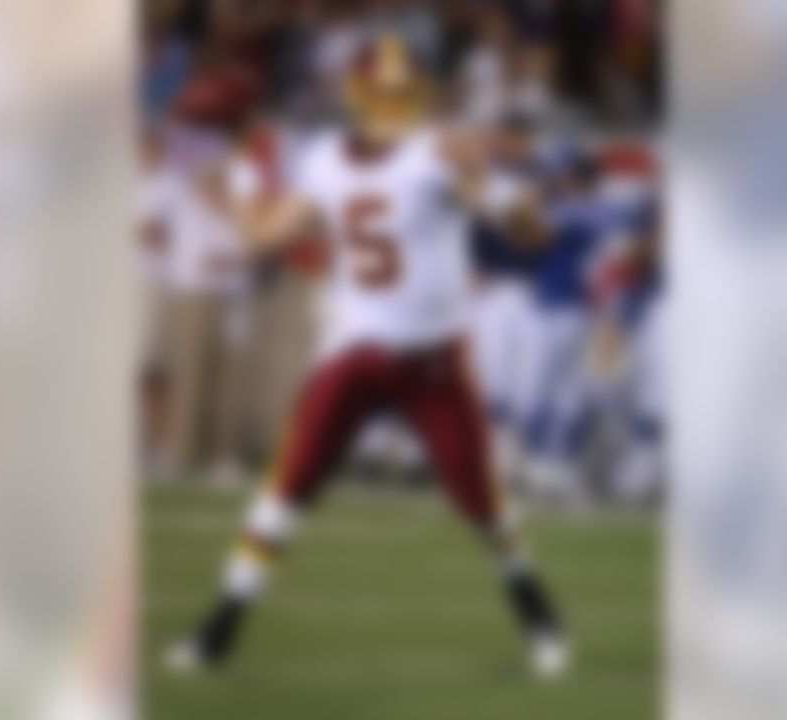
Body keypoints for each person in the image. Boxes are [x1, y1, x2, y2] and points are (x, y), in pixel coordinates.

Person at [165, 34, 569, 679]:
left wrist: (497, 194)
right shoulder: (325, 159)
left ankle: (535, 608)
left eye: (405, 92)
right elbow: (262, 236)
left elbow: (533, 232)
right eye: (385, 93)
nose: (396, 104)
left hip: (433, 357)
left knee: (482, 504)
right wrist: (241, 172)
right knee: (285, 488)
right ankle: (219, 631)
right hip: (354, 349)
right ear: (357, 96)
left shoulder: (437, 155)